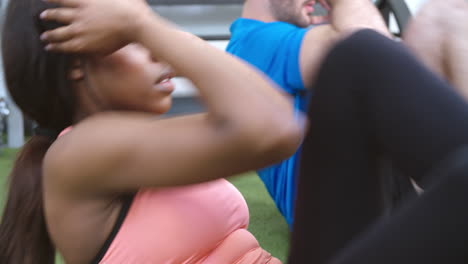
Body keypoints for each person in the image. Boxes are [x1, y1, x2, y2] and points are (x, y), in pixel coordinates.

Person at [0, 0, 305, 263]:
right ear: (76, 61)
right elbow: (275, 126)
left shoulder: (129, 145)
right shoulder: (81, 150)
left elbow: (276, 121)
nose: (158, 49)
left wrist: (139, 24)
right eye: (125, 34)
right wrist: (142, 23)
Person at [289, 0, 468, 262]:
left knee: (449, 12)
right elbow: (369, 38)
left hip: (377, 195)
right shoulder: (259, 37)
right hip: (393, 188)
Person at [226, 0, 391, 227]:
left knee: (443, 15)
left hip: (366, 199)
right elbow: (381, 59)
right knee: (445, 15)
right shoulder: (259, 39)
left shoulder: (256, 42)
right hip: (352, 214)